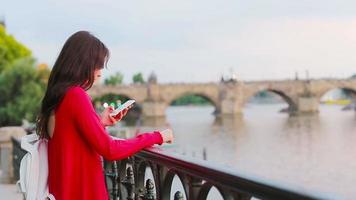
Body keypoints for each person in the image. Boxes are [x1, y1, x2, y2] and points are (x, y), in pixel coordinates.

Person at [36, 31, 174, 200]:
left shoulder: (57, 97)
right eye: (98, 65)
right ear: (82, 64)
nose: (100, 73)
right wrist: (157, 136)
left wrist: (100, 123)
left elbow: (72, 141)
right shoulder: (76, 96)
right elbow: (110, 149)